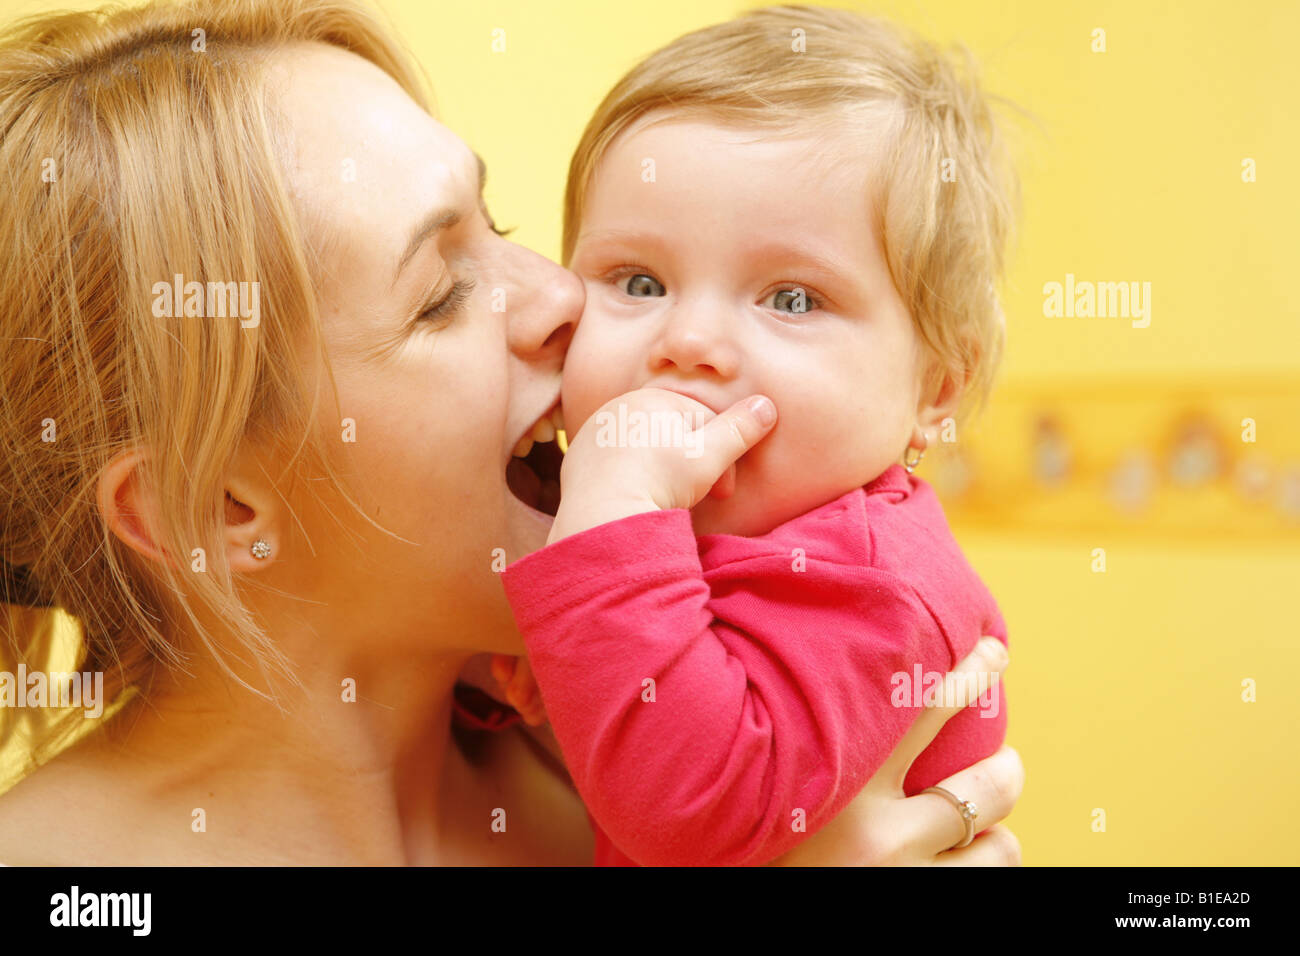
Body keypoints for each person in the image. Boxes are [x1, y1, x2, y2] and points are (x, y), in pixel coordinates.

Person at [0, 0, 1022, 865]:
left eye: (505, 224)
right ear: (214, 507)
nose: (564, 301)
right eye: (442, 294)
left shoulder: (623, 729)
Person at [496, 7, 1018, 866]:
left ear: (936, 390)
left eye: (792, 299)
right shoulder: (706, 532)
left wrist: (614, 513)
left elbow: (692, 815)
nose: (689, 342)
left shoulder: (872, 581)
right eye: (638, 280)